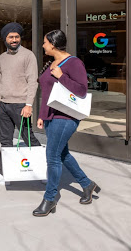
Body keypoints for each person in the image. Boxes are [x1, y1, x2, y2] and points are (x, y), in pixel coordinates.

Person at [33, 29, 100, 217]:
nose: (43, 45)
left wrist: (62, 76)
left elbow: (81, 90)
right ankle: (87, 185)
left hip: (66, 117)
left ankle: (50, 199)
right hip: (51, 117)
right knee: (62, 154)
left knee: (52, 156)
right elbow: (46, 93)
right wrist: (42, 115)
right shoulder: (51, 63)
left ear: (53, 44)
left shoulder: (74, 63)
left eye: (45, 42)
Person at [0, 22, 41, 185]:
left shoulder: (28, 56)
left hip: (21, 105)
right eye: (11, 37)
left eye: (17, 37)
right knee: (5, 140)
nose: (14, 39)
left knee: (28, 138)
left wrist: (29, 104)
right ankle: (3, 173)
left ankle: (42, 170)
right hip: (4, 105)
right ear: (5, 39)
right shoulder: (2, 58)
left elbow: (32, 82)